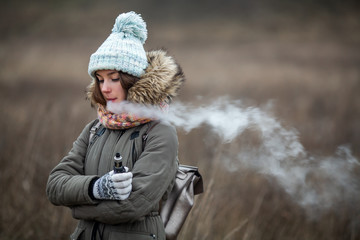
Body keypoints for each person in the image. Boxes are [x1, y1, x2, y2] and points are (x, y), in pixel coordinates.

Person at [46, 11, 185, 240]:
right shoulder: (95, 129)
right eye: (99, 79)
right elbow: (54, 185)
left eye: (113, 78)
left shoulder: (160, 132)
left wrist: (77, 208)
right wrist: (96, 187)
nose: (105, 88)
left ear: (133, 80)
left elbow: (131, 206)